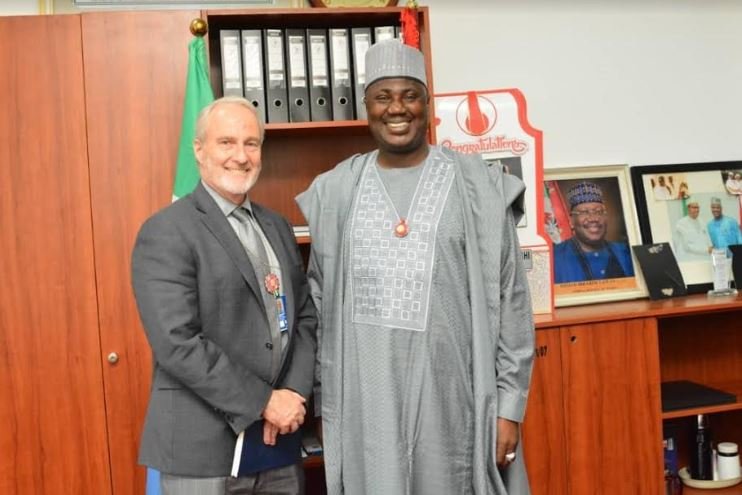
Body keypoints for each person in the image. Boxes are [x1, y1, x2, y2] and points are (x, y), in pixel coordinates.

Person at [296, 39, 535, 494]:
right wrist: (327, 407)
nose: (396, 108)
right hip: (366, 407)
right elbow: (320, 307)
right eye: (383, 97)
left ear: (428, 104)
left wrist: (509, 406)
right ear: (365, 106)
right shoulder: (335, 192)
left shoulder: (479, 186)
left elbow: (512, 301)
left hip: (454, 401)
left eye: (409, 95)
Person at [131, 96, 317, 495]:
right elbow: (177, 342)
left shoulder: (278, 226)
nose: (241, 156)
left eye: (251, 143)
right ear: (199, 150)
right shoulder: (167, 231)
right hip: (203, 450)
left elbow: (303, 316)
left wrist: (294, 395)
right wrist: (265, 401)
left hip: (277, 442)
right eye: (226, 142)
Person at [553, 181, 635, 283]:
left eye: (599, 211)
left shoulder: (626, 252)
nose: (593, 218)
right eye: (584, 212)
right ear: (571, 220)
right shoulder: (554, 257)